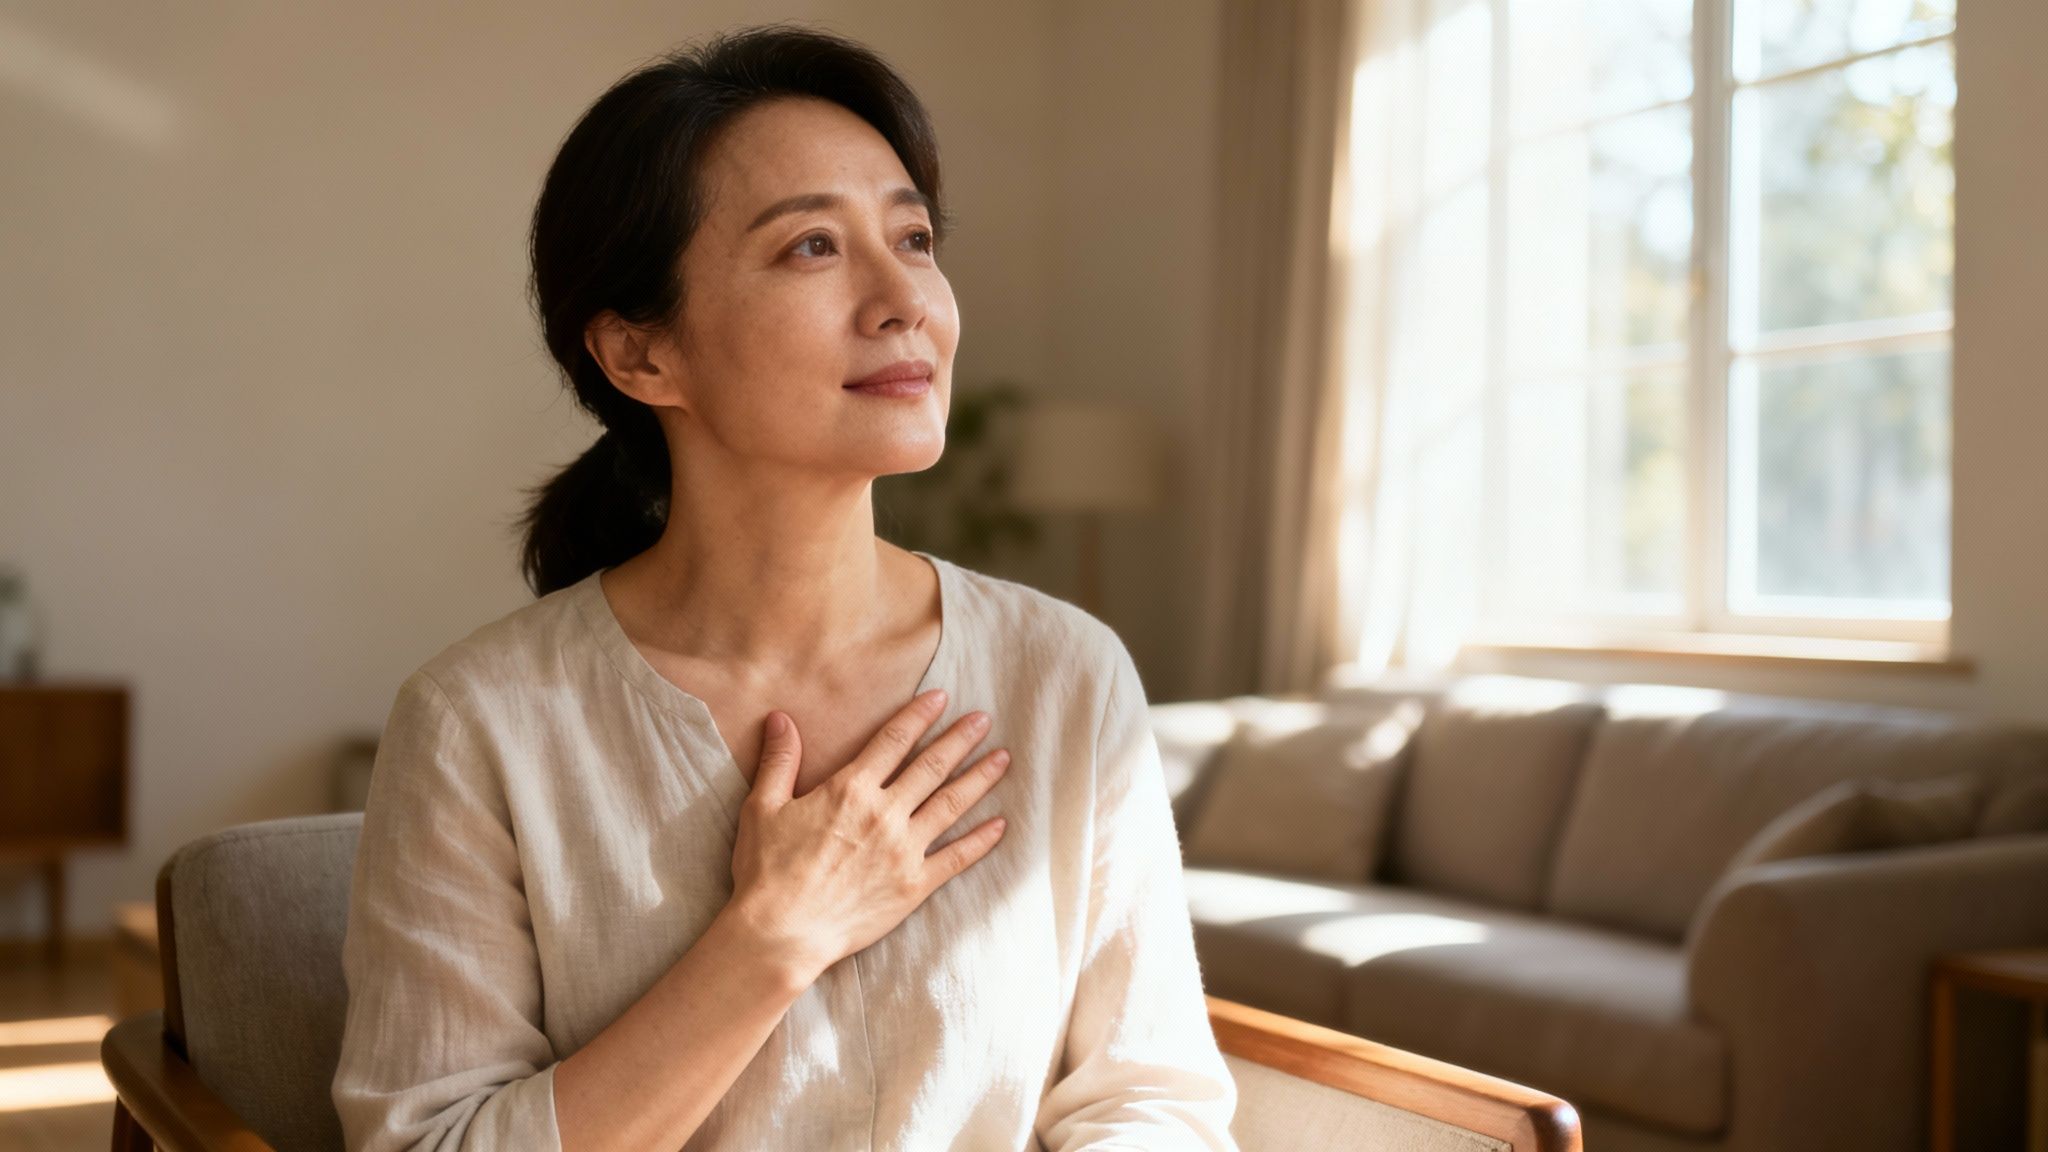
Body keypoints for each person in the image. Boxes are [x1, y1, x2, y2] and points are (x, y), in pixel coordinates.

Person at [330, 22, 1238, 1152]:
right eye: (812, 246)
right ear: (638, 355)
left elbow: (1146, 1101)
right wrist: (773, 937)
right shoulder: (479, 725)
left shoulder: (1065, 671)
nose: (903, 298)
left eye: (912, 237)